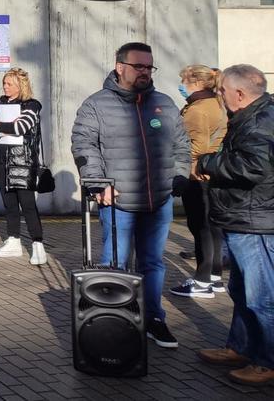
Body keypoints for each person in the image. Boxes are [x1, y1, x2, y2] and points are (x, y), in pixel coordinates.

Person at [71, 42, 189, 349]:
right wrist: (98, 184)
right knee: (115, 263)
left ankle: (154, 320)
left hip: (158, 200)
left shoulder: (163, 103)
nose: (145, 73)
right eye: (139, 67)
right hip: (118, 202)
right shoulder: (96, 105)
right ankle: (116, 322)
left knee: (152, 263)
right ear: (120, 66)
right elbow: (84, 146)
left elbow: (181, 145)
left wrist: (179, 175)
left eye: (149, 67)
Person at [196, 64, 274, 387]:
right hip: (243, 217)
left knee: (262, 297)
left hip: (256, 222)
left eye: (222, 91)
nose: (220, 97)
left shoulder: (260, 121)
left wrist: (208, 163)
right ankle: (240, 347)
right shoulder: (253, 115)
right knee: (241, 290)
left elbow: (252, 166)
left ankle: (267, 361)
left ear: (239, 94)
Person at [170, 64, 228, 299]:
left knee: (200, 226)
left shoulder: (198, 109)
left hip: (197, 175)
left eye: (184, 80)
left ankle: (202, 281)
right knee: (212, 227)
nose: (182, 85)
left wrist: (184, 168)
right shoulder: (216, 103)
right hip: (214, 174)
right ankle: (214, 277)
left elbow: (197, 145)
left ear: (195, 82)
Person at [0, 67, 47, 265]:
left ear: (20, 85)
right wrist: (3, 127)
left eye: (9, 84)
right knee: (9, 204)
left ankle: (37, 244)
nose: (5, 87)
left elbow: (21, 127)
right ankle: (13, 240)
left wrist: (0, 126)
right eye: (4, 83)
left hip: (23, 160)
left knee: (28, 203)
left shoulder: (32, 105)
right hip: (2, 159)